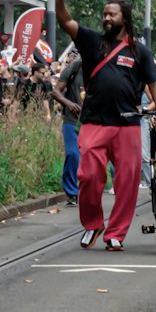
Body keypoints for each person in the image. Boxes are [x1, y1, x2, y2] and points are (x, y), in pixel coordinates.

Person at [55, 0, 156, 250]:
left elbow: (154, 81)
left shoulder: (140, 51)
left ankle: (115, 232)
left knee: (127, 181)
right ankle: (93, 223)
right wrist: (59, 0)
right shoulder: (92, 41)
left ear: (124, 18)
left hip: (128, 124)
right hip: (94, 121)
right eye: (104, 14)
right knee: (88, 175)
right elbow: (66, 23)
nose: (106, 18)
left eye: (111, 14)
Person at [52, 49, 84, 204]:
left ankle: (87, 189)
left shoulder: (103, 69)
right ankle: (71, 192)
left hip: (93, 122)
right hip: (72, 120)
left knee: (90, 159)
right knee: (73, 154)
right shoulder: (75, 67)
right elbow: (56, 92)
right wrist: (69, 103)